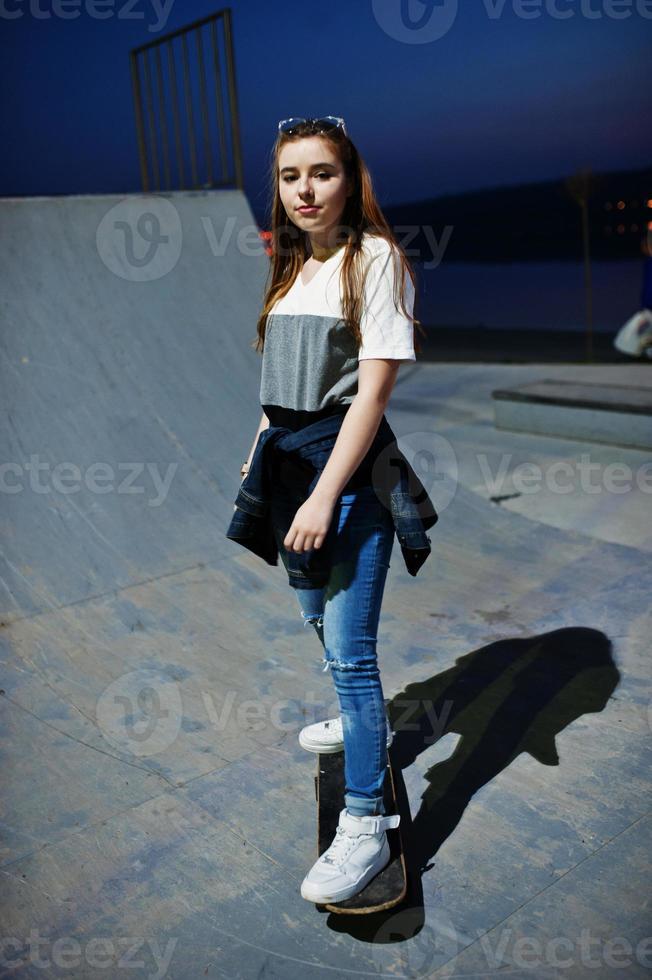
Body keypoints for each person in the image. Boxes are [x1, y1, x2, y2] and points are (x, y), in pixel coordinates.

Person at [233, 116, 430, 904]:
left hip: (347, 474)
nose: (305, 191)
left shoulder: (373, 259)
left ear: (351, 179)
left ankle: (365, 822)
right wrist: (256, 454)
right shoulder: (289, 267)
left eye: (321, 173)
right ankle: (363, 722)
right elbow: (279, 390)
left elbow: (372, 392)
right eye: (290, 177)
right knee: (312, 610)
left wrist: (323, 494)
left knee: (351, 649)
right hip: (287, 467)